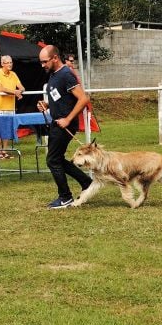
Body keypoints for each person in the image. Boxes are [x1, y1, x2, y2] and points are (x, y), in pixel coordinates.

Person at [37, 44, 93, 209]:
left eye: (45, 61)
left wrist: (68, 119)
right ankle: (87, 183)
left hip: (64, 125)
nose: (42, 65)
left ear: (55, 58)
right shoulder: (53, 75)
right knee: (57, 159)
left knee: (52, 160)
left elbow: (84, 99)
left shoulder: (66, 74)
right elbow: (60, 97)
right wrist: (47, 105)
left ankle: (65, 197)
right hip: (57, 123)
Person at [0, 55, 25, 158]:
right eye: (8, 63)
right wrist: (15, 92)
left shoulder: (13, 74)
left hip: (11, 106)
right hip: (0, 107)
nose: (10, 64)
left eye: (11, 62)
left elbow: (22, 87)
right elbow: (1, 88)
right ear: (2, 64)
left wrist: (20, 91)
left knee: (7, 130)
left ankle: (4, 151)